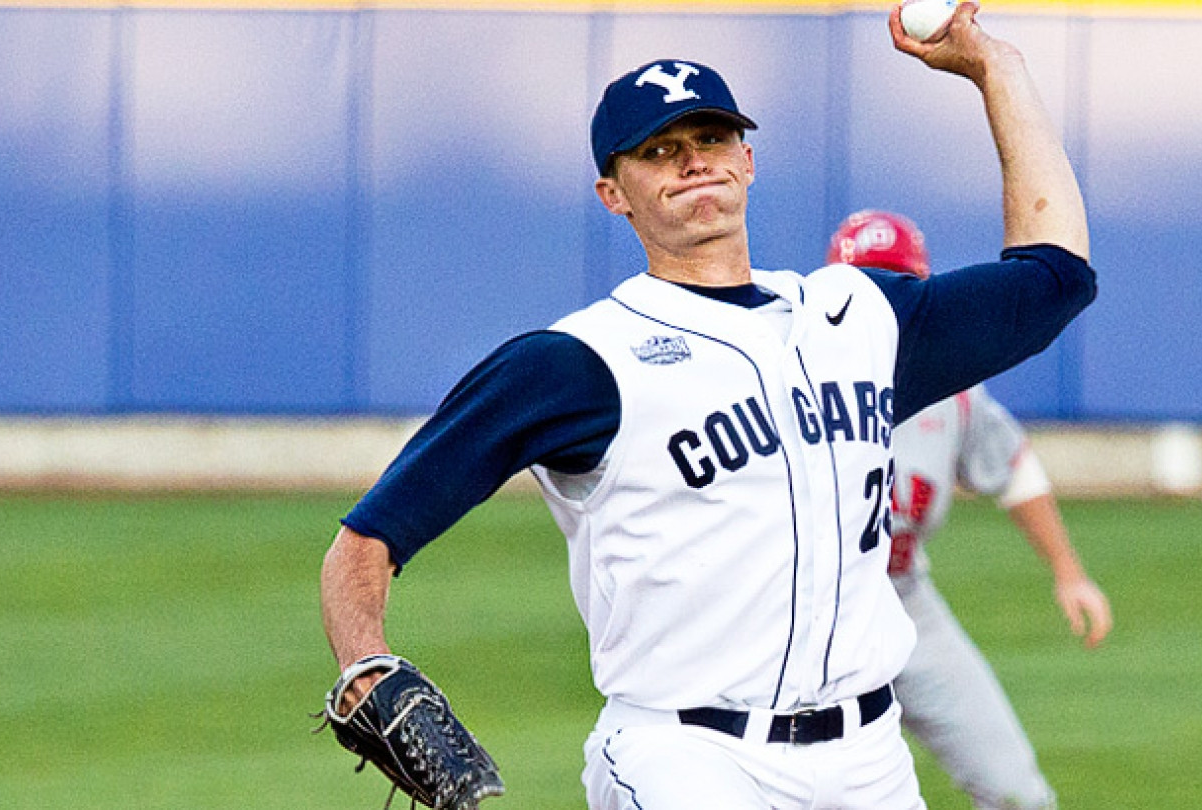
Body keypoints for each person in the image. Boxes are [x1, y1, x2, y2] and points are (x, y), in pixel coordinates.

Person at [320, 4, 1098, 808]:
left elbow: (1056, 280)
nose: (695, 163)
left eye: (713, 139)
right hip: (684, 757)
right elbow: (365, 541)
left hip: (869, 760)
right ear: (613, 192)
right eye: (660, 151)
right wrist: (364, 662)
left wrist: (997, 70)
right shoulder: (578, 363)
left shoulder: (859, 318)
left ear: (749, 161)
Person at [826, 209, 1114, 810]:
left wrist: (1068, 571)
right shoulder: (790, 379)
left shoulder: (953, 393)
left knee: (1017, 794)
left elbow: (1013, 468)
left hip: (905, 605)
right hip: (806, 621)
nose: (885, 302)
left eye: (899, 284)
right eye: (866, 285)